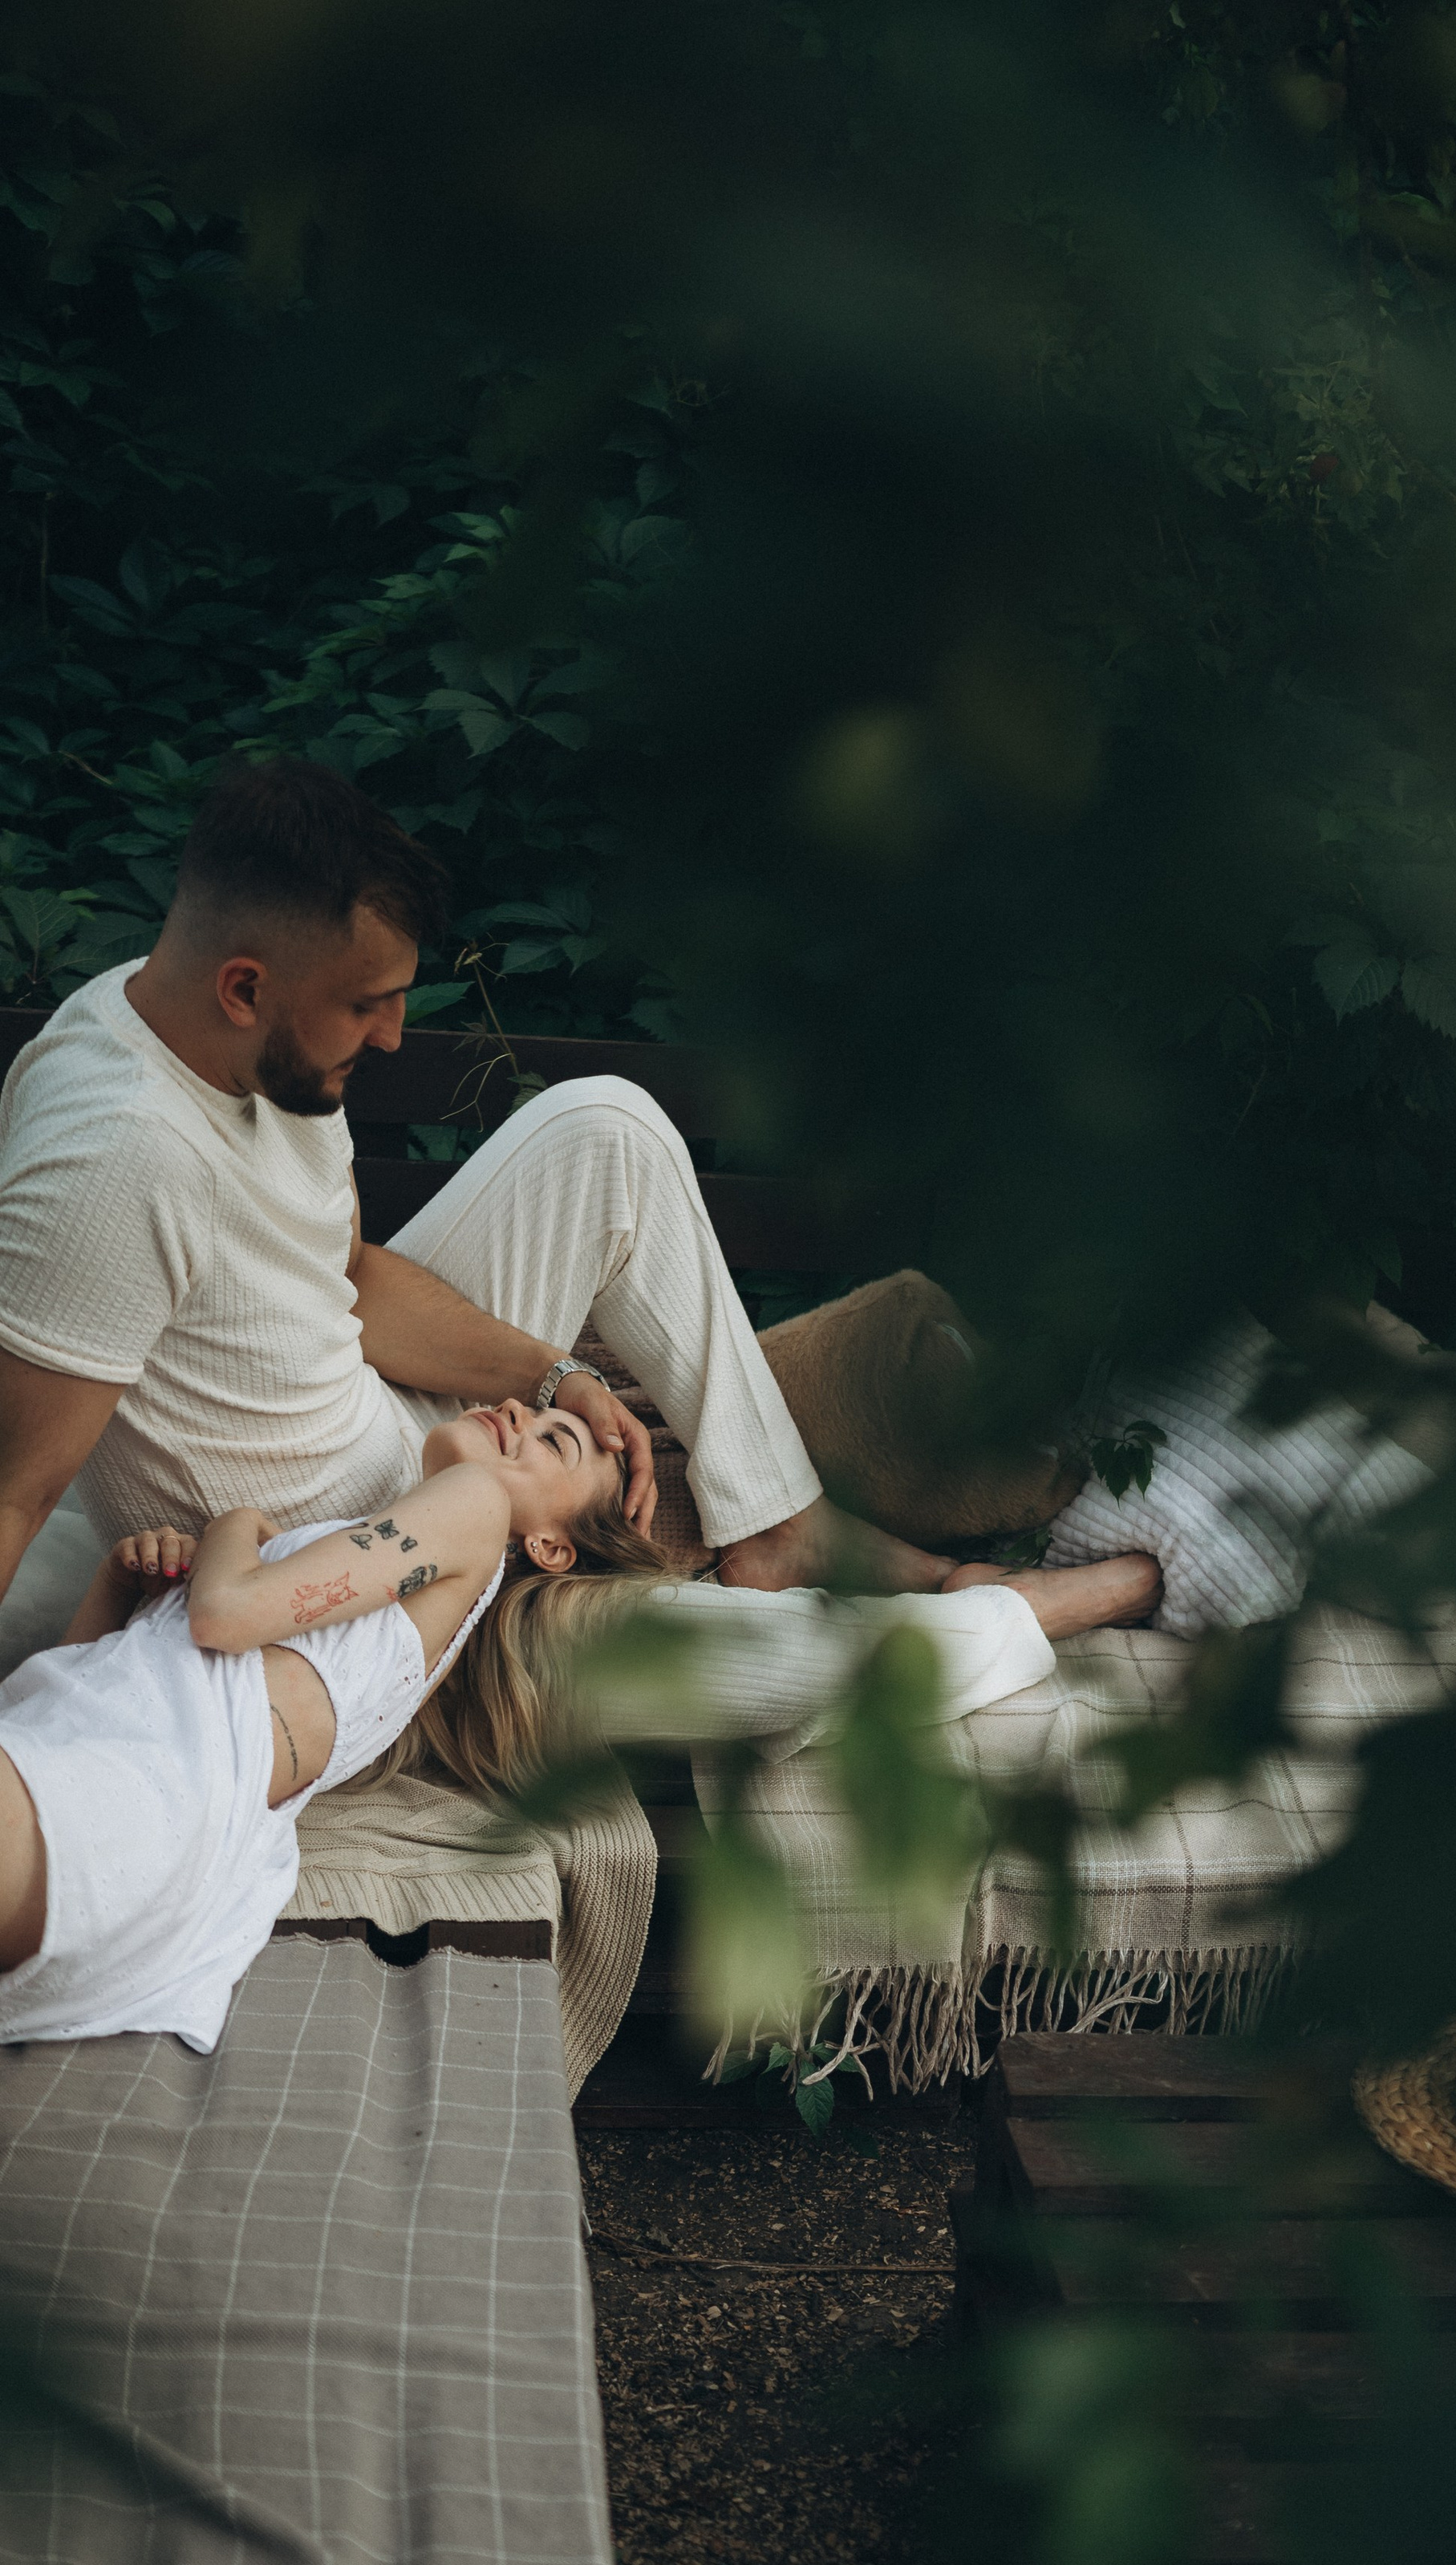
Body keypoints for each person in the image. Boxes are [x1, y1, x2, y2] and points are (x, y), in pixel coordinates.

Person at [0, 756, 940, 1681]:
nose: (395, 1035)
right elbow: (16, 1488)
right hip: (347, 1538)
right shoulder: (114, 1157)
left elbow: (350, 1277)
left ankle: (776, 1524)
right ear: (244, 988)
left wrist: (552, 1373)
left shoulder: (241, 1042)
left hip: (394, 1415)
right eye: (367, 1003)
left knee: (606, 1127)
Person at [0, 1374, 1162, 2059]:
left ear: (550, 1542)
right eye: (532, 1412)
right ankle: (1020, 1598)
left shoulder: (477, 1527)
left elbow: (224, 1617)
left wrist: (231, 1520)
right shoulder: (414, 1539)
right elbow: (100, 1674)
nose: (516, 1410)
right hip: (94, 1759)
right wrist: (122, 1579)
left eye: (552, 1440)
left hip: (130, 1783)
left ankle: (1056, 1592)